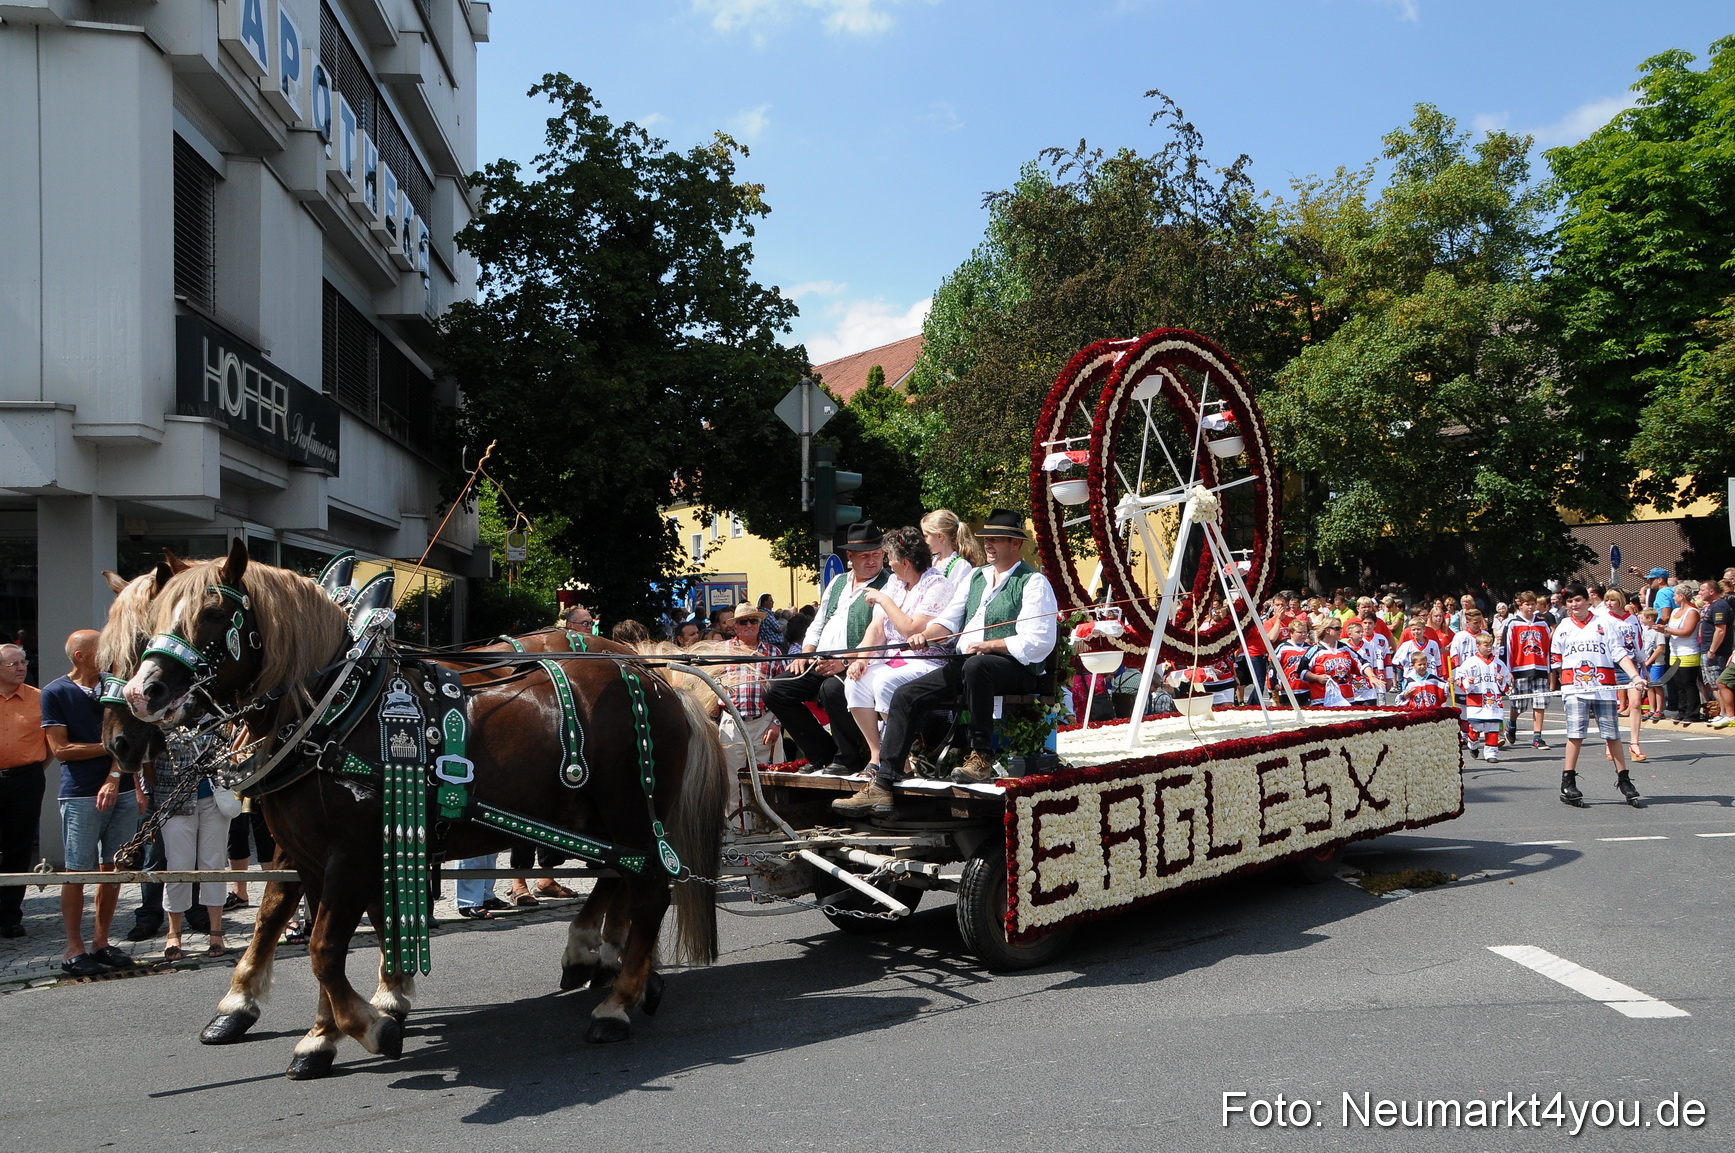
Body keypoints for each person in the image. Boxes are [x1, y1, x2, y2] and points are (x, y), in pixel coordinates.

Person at [835, 509, 1058, 813]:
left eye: (995, 540)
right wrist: (927, 635)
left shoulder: (1032, 582)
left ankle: (981, 757)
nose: (988, 544)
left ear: (1015, 543)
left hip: (1016, 668)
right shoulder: (977, 578)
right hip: (969, 665)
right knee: (905, 694)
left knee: (978, 665)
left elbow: (1039, 641)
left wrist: (993, 644)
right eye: (986, 539)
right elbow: (950, 619)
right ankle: (884, 781)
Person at [42, 630, 142, 976]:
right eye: (102, 648)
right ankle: (74, 947)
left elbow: (130, 733)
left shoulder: (116, 686)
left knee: (113, 869)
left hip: (121, 788)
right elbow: (61, 750)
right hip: (80, 792)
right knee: (77, 872)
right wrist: (112, 746)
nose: (109, 652)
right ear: (80, 656)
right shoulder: (55, 692)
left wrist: (115, 776)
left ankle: (102, 941)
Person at [766, 521, 896, 776]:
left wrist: (845, 662)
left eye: (876, 554)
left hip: (860, 664)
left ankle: (849, 758)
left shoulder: (889, 585)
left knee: (833, 689)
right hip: (820, 659)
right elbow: (819, 622)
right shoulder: (837, 582)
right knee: (775, 690)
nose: (871, 561)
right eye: (864, 555)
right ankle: (821, 753)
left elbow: (883, 635)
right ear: (850, 556)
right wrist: (806, 653)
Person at [840, 527, 956, 775]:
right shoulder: (894, 582)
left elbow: (911, 630)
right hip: (895, 660)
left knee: (883, 681)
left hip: (928, 661)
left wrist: (884, 600)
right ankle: (876, 755)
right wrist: (862, 659)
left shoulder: (938, 585)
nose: (888, 564)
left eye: (890, 558)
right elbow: (876, 627)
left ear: (904, 562)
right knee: (855, 681)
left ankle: (901, 758)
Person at [1551, 582, 1648, 806]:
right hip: (1575, 688)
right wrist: (1564, 679)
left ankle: (1624, 779)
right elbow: (1556, 658)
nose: (1574, 605)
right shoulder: (1563, 626)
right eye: (1570, 601)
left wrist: (1635, 677)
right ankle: (1568, 781)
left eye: (1578, 600)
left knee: (1612, 734)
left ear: (1587, 600)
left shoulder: (1604, 623)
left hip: (1603, 687)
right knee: (1575, 734)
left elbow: (1619, 652)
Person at [149, 730, 228, 958]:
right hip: (174, 797)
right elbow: (147, 761)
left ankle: (216, 932)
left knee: (214, 863)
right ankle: (174, 933)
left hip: (214, 797)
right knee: (178, 865)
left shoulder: (214, 714)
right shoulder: (162, 715)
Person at [0, 643, 46, 938]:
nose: (21, 667)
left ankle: (9, 916)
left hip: (25, 780)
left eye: (23, 661)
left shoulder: (39, 699)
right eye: (12, 663)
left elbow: (51, 743)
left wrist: (30, 769)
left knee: (19, 848)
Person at [715, 602, 786, 769]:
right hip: (731, 722)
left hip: (764, 721)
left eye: (753, 621)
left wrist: (776, 722)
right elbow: (709, 684)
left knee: (768, 779)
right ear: (734, 627)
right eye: (743, 622)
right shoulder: (720, 651)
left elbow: (783, 692)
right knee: (731, 781)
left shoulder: (773, 653)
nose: (749, 625)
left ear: (759, 625)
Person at [1598, 588, 1648, 762]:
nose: (1609, 603)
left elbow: (1638, 642)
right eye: (1607, 600)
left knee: (1635, 703)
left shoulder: (1632, 619)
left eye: (1613, 600)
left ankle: (1635, 744)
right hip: (1611, 664)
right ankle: (1610, 742)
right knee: (1611, 705)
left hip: (1631, 664)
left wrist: (1643, 665)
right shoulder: (1603, 619)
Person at [1502, 591, 1554, 750]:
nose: (1530, 607)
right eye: (1527, 604)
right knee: (1519, 704)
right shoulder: (1513, 624)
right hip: (1520, 667)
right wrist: (1507, 670)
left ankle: (1537, 736)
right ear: (1521, 605)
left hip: (1539, 667)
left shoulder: (1542, 623)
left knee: (1540, 703)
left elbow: (1547, 647)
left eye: (1533, 604)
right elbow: (1507, 647)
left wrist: (1548, 669)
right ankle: (1511, 723)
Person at [1455, 633, 1513, 762]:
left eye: (1490, 646)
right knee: (1476, 727)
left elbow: (1507, 682)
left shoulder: (1498, 663)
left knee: (1492, 728)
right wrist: (1467, 682)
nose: (1488, 648)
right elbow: (1460, 679)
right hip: (1476, 701)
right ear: (1478, 646)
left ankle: (1491, 754)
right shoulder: (1470, 663)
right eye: (1485, 646)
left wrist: (1501, 680)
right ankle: (1473, 743)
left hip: (1493, 702)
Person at [1659, 580, 1703, 723]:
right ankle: (1682, 710)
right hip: (1675, 651)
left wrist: (1666, 629)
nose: (1673, 598)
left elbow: (1686, 632)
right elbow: (1672, 630)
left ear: (1682, 596)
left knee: (1688, 682)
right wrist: (1663, 630)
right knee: (1678, 683)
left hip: (1689, 651)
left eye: (1675, 595)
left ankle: (1693, 712)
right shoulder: (1675, 611)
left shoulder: (1692, 612)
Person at [920, 509, 984, 593]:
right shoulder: (933, 561)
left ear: (940, 536)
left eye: (926, 536)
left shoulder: (960, 566)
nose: (924, 541)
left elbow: (957, 597)